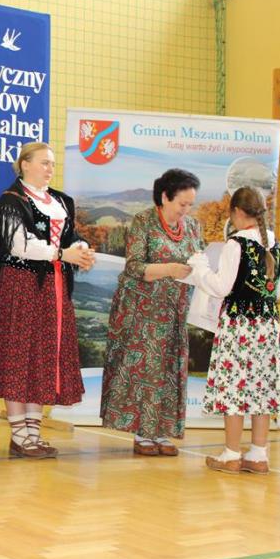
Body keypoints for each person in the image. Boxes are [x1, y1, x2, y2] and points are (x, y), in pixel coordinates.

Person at [0, 142, 95, 458]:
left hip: (54, 288)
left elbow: (71, 236)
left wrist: (81, 249)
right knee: (20, 355)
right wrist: (62, 254)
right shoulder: (12, 200)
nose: (50, 169)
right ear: (25, 164)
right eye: (44, 162)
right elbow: (18, 245)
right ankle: (19, 435)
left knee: (42, 357)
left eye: (53, 163)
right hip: (23, 286)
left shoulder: (60, 201)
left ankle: (33, 432)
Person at [100, 168, 204, 456]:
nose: (186, 210)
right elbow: (134, 266)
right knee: (146, 371)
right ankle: (143, 433)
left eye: (190, 204)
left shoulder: (193, 226)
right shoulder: (143, 221)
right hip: (141, 310)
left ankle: (162, 431)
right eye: (182, 203)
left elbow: (200, 260)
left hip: (176, 311)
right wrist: (169, 270)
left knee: (169, 370)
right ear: (165, 197)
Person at [187, 187, 280, 474]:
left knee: (234, 386)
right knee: (261, 387)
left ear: (238, 212)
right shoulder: (275, 244)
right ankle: (258, 454)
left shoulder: (236, 244)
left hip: (239, 324)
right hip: (267, 325)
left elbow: (221, 287)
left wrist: (199, 269)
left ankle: (231, 454)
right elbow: (278, 290)